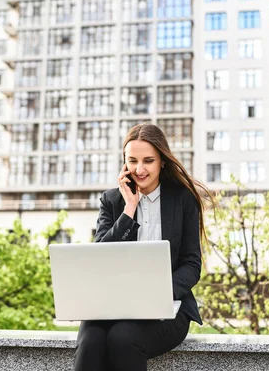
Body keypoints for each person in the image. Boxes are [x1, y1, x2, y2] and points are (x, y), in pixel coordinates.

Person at [73, 123, 214, 371]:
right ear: (124, 162)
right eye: (132, 160)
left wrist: (158, 293)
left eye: (148, 160)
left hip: (170, 306)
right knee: (91, 342)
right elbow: (101, 258)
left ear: (162, 161)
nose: (139, 169)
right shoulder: (112, 200)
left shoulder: (183, 198)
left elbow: (191, 265)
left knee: (122, 339)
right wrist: (129, 209)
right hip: (112, 303)